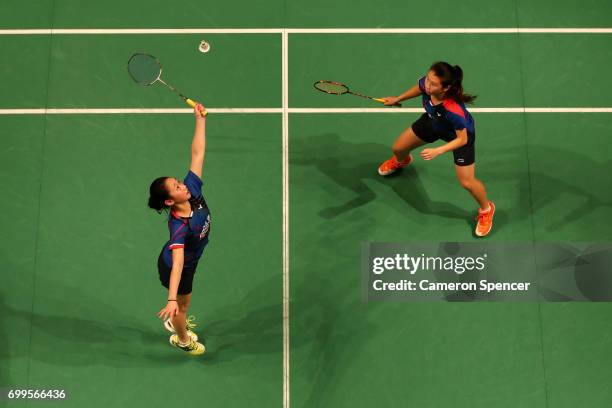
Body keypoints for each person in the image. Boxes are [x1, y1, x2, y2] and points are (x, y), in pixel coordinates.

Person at [377, 61, 495, 237]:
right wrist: (397, 99)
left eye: (433, 83)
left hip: (458, 138)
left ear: (445, 88)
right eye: (428, 79)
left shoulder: (453, 109)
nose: (427, 84)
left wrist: (438, 150)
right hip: (433, 122)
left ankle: (486, 210)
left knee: (467, 182)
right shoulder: (429, 84)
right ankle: (403, 161)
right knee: (398, 148)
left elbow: (462, 139)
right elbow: (419, 88)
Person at [147, 104, 210, 355]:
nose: (182, 185)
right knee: (183, 307)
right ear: (170, 201)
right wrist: (171, 299)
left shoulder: (192, 191)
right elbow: (178, 263)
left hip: (188, 261)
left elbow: (197, 153)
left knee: (182, 306)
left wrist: (200, 119)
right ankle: (183, 339)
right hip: (177, 267)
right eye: (176, 187)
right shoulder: (179, 228)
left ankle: (177, 319)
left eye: (179, 181)